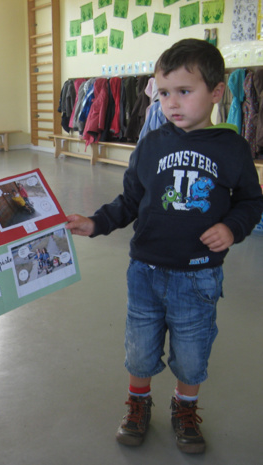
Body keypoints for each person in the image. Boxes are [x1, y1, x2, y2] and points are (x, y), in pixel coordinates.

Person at [66, 38, 263, 454]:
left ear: (217, 92)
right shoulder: (151, 144)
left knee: (192, 354)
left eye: (184, 92)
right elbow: (131, 200)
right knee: (139, 351)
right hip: (146, 272)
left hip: (199, 275)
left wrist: (232, 227)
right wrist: (96, 222)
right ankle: (138, 404)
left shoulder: (233, 148)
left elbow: (251, 200)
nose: (172, 103)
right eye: (165, 92)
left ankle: (184, 407)